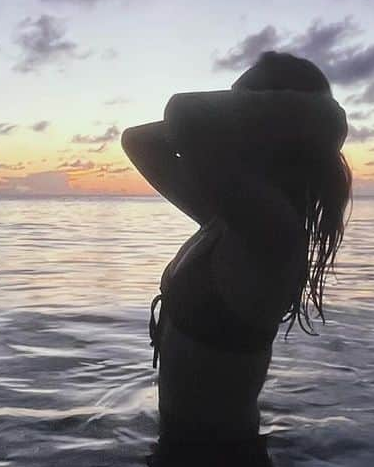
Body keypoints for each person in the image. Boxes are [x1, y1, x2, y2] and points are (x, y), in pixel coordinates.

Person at [122, 51, 351, 443]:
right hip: (184, 451)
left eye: (238, 101)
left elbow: (184, 114)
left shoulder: (270, 228)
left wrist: (319, 117)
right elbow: (138, 141)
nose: (224, 111)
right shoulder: (230, 214)